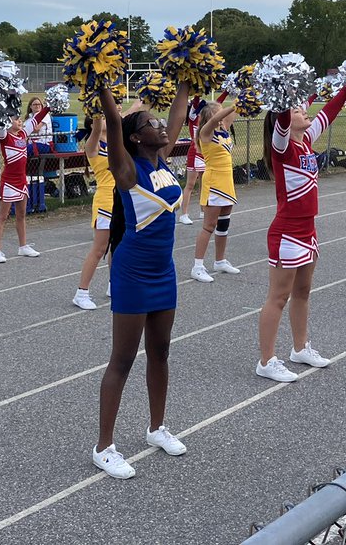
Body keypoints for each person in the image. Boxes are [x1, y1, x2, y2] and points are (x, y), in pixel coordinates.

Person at [91, 78, 191, 479]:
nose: (162, 128)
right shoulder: (127, 168)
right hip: (132, 271)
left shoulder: (162, 159)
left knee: (162, 352)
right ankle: (103, 446)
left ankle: (157, 428)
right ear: (135, 137)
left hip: (164, 270)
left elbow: (179, 113)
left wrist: (187, 75)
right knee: (122, 359)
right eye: (151, 124)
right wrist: (102, 88)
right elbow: (115, 123)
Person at [255, 84, 346, 382]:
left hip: (308, 229)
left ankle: (299, 348)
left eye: (301, 107)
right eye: (296, 109)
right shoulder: (281, 146)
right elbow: (283, 117)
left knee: (303, 292)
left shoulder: (306, 140)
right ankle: (266, 360)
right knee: (278, 297)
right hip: (287, 231)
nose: (303, 111)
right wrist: (284, 92)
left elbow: (330, 111)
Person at [0, 100, 50, 262]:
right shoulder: (5, 136)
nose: (19, 121)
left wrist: (49, 107)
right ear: (9, 121)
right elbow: (1, 128)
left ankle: (23, 246)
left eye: (20, 119)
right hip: (9, 181)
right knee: (2, 217)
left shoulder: (23, 134)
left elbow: (36, 119)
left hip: (22, 180)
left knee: (21, 214)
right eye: (16, 119)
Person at [190, 100, 241, 282]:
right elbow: (216, 119)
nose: (224, 115)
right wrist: (233, 106)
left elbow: (233, 113)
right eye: (219, 112)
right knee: (208, 225)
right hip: (213, 182)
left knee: (223, 224)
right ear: (212, 116)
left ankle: (220, 261)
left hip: (227, 182)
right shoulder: (205, 132)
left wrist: (242, 98)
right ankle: (197, 266)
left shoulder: (224, 128)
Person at [73, 112, 116, 310]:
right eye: (103, 117)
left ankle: (113, 285)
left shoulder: (116, 139)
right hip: (105, 200)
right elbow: (98, 127)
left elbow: (130, 113)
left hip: (121, 199)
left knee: (118, 247)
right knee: (100, 249)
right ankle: (81, 293)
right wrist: (97, 108)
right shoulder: (93, 145)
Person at [177, 96, 206, 225]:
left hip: (204, 154)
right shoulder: (193, 119)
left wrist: (227, 91)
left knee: (203, 184)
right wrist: (197, 90)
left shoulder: (204, 120)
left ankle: (203, 211)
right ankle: (184, 214)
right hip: (194, 154)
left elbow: (217, 103)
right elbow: (195, 102)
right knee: (190, 185)